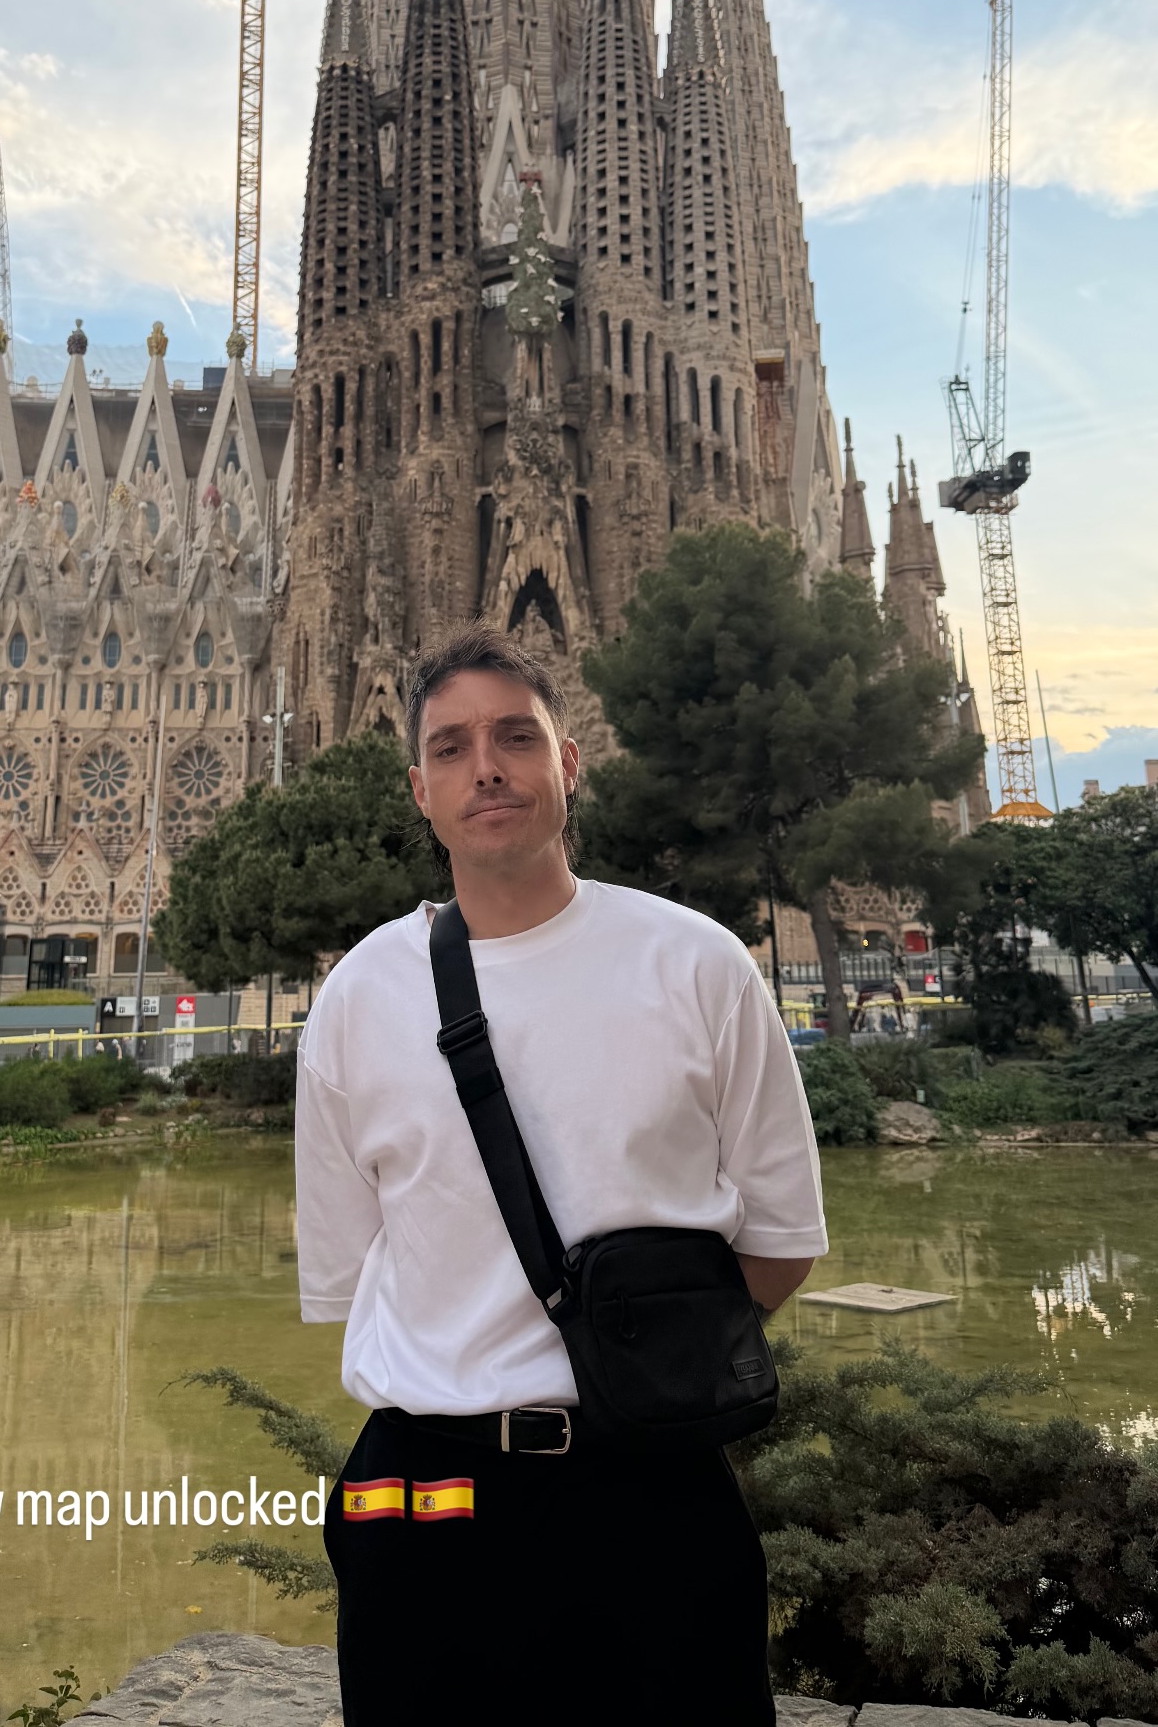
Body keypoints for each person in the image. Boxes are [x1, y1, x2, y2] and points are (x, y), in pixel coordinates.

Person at [296, 623, 827, 1725]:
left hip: (654, 1483)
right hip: (427, 1490)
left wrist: (642, 1363)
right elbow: (353, 1274)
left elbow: (782, 1242)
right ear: (419, 790)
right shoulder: (358, 998)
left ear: (569, 763)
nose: (485, 769)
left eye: (516, 737)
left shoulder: (698, 965)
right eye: (450, 748)